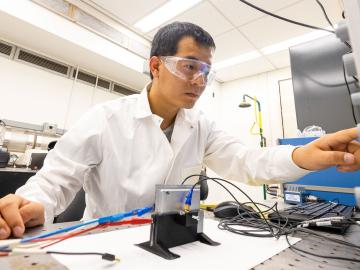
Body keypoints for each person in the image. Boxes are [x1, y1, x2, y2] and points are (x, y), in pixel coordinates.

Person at [0, 22, 359, 240]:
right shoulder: (105, 118)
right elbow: (54, 182)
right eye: (189, 66)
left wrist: (304, 155)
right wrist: (31, 205)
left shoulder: (201, 124)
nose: (200, 81)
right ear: (156, 66)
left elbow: (248, 162)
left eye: (206, 70)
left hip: (178, 241)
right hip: (112, 246)